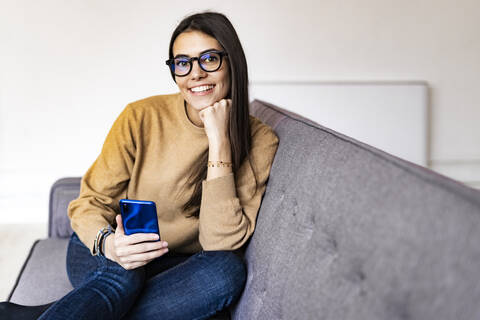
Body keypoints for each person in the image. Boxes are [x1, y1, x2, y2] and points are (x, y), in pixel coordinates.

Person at [0, 11, 279, 320]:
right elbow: (89, 203)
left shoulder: (261, 140)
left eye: (209, 59)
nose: (195, 74)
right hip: (108, 246)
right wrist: (111, 245)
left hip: (174, 261)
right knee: (126, 271)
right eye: (182, 63)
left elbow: (219, 243)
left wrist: (219, 141)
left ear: (232, 62)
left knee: (225, 273)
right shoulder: (140, 116)